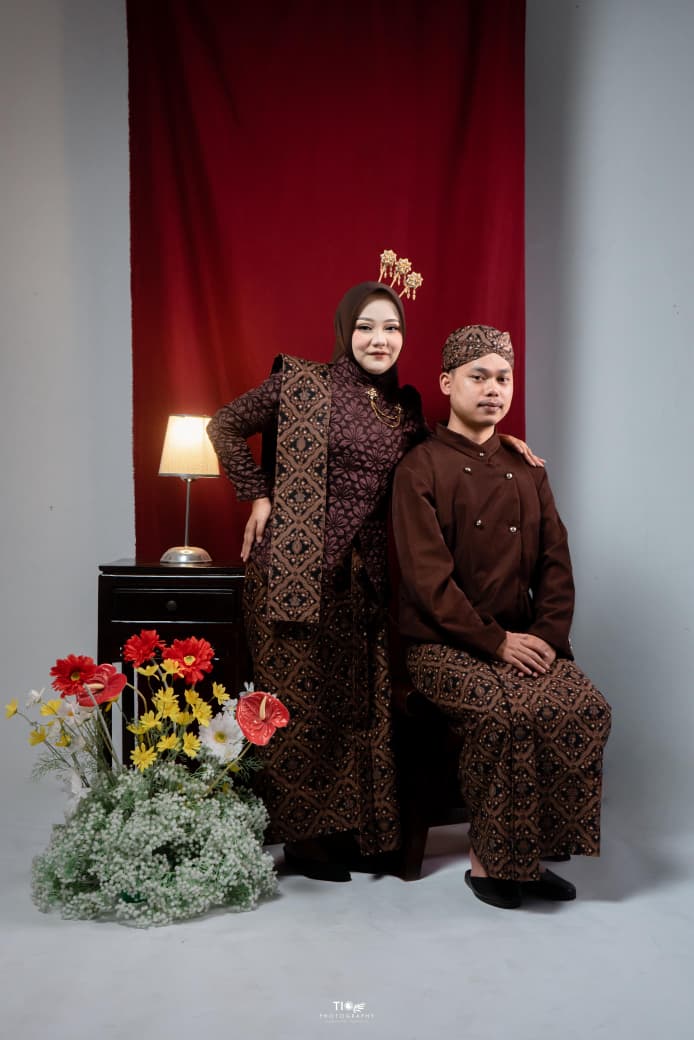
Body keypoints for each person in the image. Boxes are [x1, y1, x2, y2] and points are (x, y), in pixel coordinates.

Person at [208, 283, 541, 883]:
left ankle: (347, 834)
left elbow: (445, 442)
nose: (379, 340)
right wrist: (257, 494)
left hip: (358, 584)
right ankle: (303, 843)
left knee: (348, 707)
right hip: (291, 570)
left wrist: (502, 443)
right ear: (346, 331)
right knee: (295, 706)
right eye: (366, 327)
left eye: (391, 328)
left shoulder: (404, 408)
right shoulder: (301, 382)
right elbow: (224, 424)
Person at [391, 324, 611, 909]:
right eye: (479, 377)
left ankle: (532, 856)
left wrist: (547, 639)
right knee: (504, 712)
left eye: (504, 378)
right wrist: (496, 642)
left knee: (584, 706)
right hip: (441, 645)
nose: (493, 389)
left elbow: (556, 563)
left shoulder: (527, 467)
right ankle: (489, 864)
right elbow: (428, 583)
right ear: (447, 383)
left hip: (523, 637)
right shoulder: (420, 468)